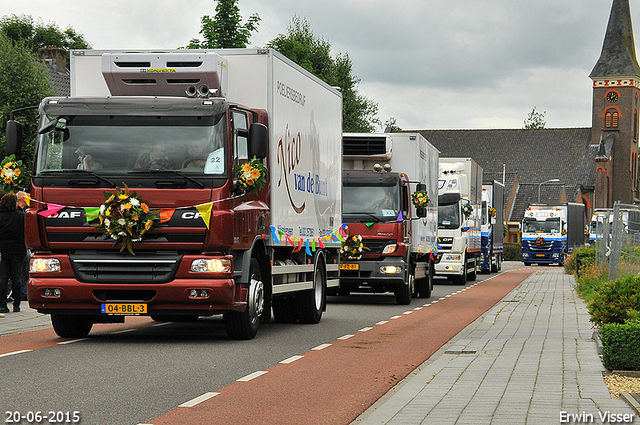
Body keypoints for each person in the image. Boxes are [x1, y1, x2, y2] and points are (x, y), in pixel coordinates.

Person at [0, 193, 26, 313]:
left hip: (3, 249)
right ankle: (17, 304)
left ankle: (2, 304)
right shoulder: (22, 216)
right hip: (18, 249)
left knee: (3, 277)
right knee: (17, 277)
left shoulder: (1, 216)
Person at [16, 191, 29, 301]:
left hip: (21, 244)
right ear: (23, 199)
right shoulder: (20, 213)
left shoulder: (24, 211)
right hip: (21, 245)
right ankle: (22, 292)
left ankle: (24, 291)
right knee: (22, 270)